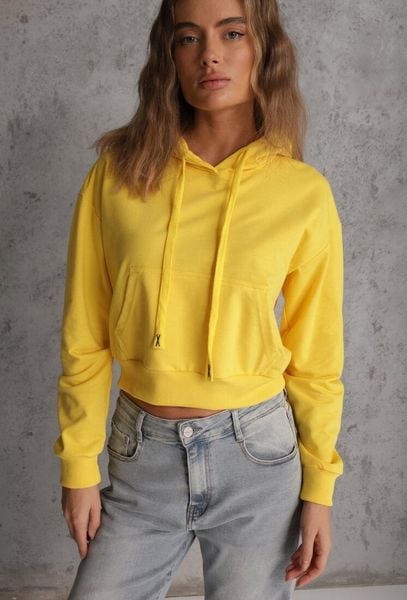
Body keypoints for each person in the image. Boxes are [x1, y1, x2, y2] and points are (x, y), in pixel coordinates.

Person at [53, 0, 345, 598]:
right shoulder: (117, 175)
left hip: (257, 458)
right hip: (141, 454)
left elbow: (316, 358)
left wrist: (320, 488)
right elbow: (85, 333)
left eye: (232, 33)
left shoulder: (303, 193)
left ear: (264, 49)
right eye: (189, 38)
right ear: (169, 55)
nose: (210, 54)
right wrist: (79, 465)